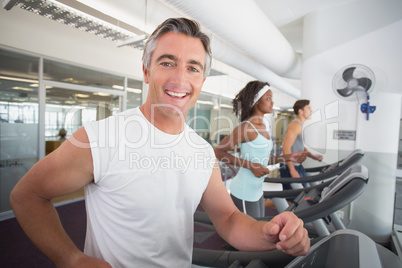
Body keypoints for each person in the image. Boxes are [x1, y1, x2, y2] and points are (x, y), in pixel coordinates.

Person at [10, 18, 310, 267]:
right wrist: (71, 259)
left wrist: (270, 231)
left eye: (193, 67)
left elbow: (229, 219)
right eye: (167, 63)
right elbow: (27, 196)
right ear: (145, 71)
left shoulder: (201, 152)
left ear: (202, 81)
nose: (180, 79)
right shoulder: (98, 138)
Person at [214, 81, 308, 218]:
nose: (272, 103)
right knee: (247, 236)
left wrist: (289, 157)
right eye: (268, 98)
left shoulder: (263, 126)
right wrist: (250, 166)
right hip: (244, 190)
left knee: (258, 229)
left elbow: (263, 160)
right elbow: (218, 151)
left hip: (257, 189)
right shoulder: (246, 128)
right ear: (256, 101)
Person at [281, 99, 323, 189]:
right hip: (290, 166)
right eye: (308, 108)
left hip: (297, 165)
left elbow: (299, 146)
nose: (311, 111)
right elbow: (285, 148)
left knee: (300, 196)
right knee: (293, 198)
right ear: (301, 111)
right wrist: (292, 170)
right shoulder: (296, 125)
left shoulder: (300, 125)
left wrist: (313, 156)